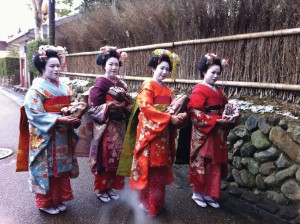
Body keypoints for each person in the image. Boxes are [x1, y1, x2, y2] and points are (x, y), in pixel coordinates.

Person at [22, 45, 81, 214]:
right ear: (42, 68)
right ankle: (46, 203)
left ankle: (59, 199)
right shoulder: (35, 90)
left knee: (60, 168)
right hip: (46, 135)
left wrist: (76, 110)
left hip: (62, 135)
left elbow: (71, 104)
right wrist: (59, 118)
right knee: (46, 168)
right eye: (52, 66)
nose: (56, 69)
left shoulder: (64, 87)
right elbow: (33, 113)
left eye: (58, 65)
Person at [129, 49, 187, 217]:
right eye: (161, 68)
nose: (164, 72)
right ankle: (148, 202)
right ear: (153, 68)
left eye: (166, 69)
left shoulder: (169, 91)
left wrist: (179, 116)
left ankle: (157, 203)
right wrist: (169, 119)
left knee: (160, 171)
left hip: (163, 136)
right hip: (151, 136)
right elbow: (146, 108)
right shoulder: (148, 86)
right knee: (150, 169)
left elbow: (172, 111)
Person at [187, 52, 236, 209]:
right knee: (203, 162)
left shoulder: (219, 91)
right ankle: (197, 192)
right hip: (205, 132)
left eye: (218, 73)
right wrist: (215, 120)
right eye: (212, 72)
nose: (215, 76)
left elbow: (225, 106)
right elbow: (194, 112)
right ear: (203, 72)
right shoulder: (199, 90)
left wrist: (231, 114)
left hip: (217, 132)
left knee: (215, 164)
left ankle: (209, 193)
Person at [88, 46, 131, 203]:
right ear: (104, 65)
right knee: (105, 158)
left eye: (116, 64)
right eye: (110, 64)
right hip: (106, 126)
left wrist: (128, 107)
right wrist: (109, 106)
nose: (114, 67)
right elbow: (92, 108)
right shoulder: (99, 84)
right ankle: (101, 189)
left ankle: (111, 187)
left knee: (117, 159)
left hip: (120, 126)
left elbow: (127, 105)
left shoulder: (122, 84)